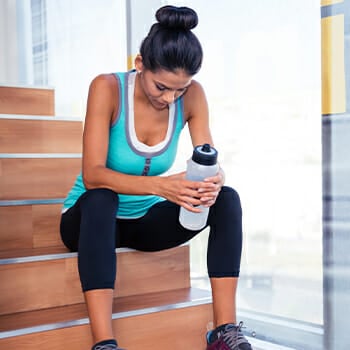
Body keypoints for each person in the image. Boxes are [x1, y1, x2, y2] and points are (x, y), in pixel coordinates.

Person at [60, 5, 252, 350]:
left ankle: (223, 332)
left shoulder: (192, 96)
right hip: (90, 221)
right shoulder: (107, 88)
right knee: (102, 198)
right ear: (140, 64)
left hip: (142, 221)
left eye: (180, 90)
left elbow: (209, 156)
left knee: (228, 199)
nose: (170, 98)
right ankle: (104, 342)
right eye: (162, 87)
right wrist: (164, 186)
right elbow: (93, 175)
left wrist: (214, 180)